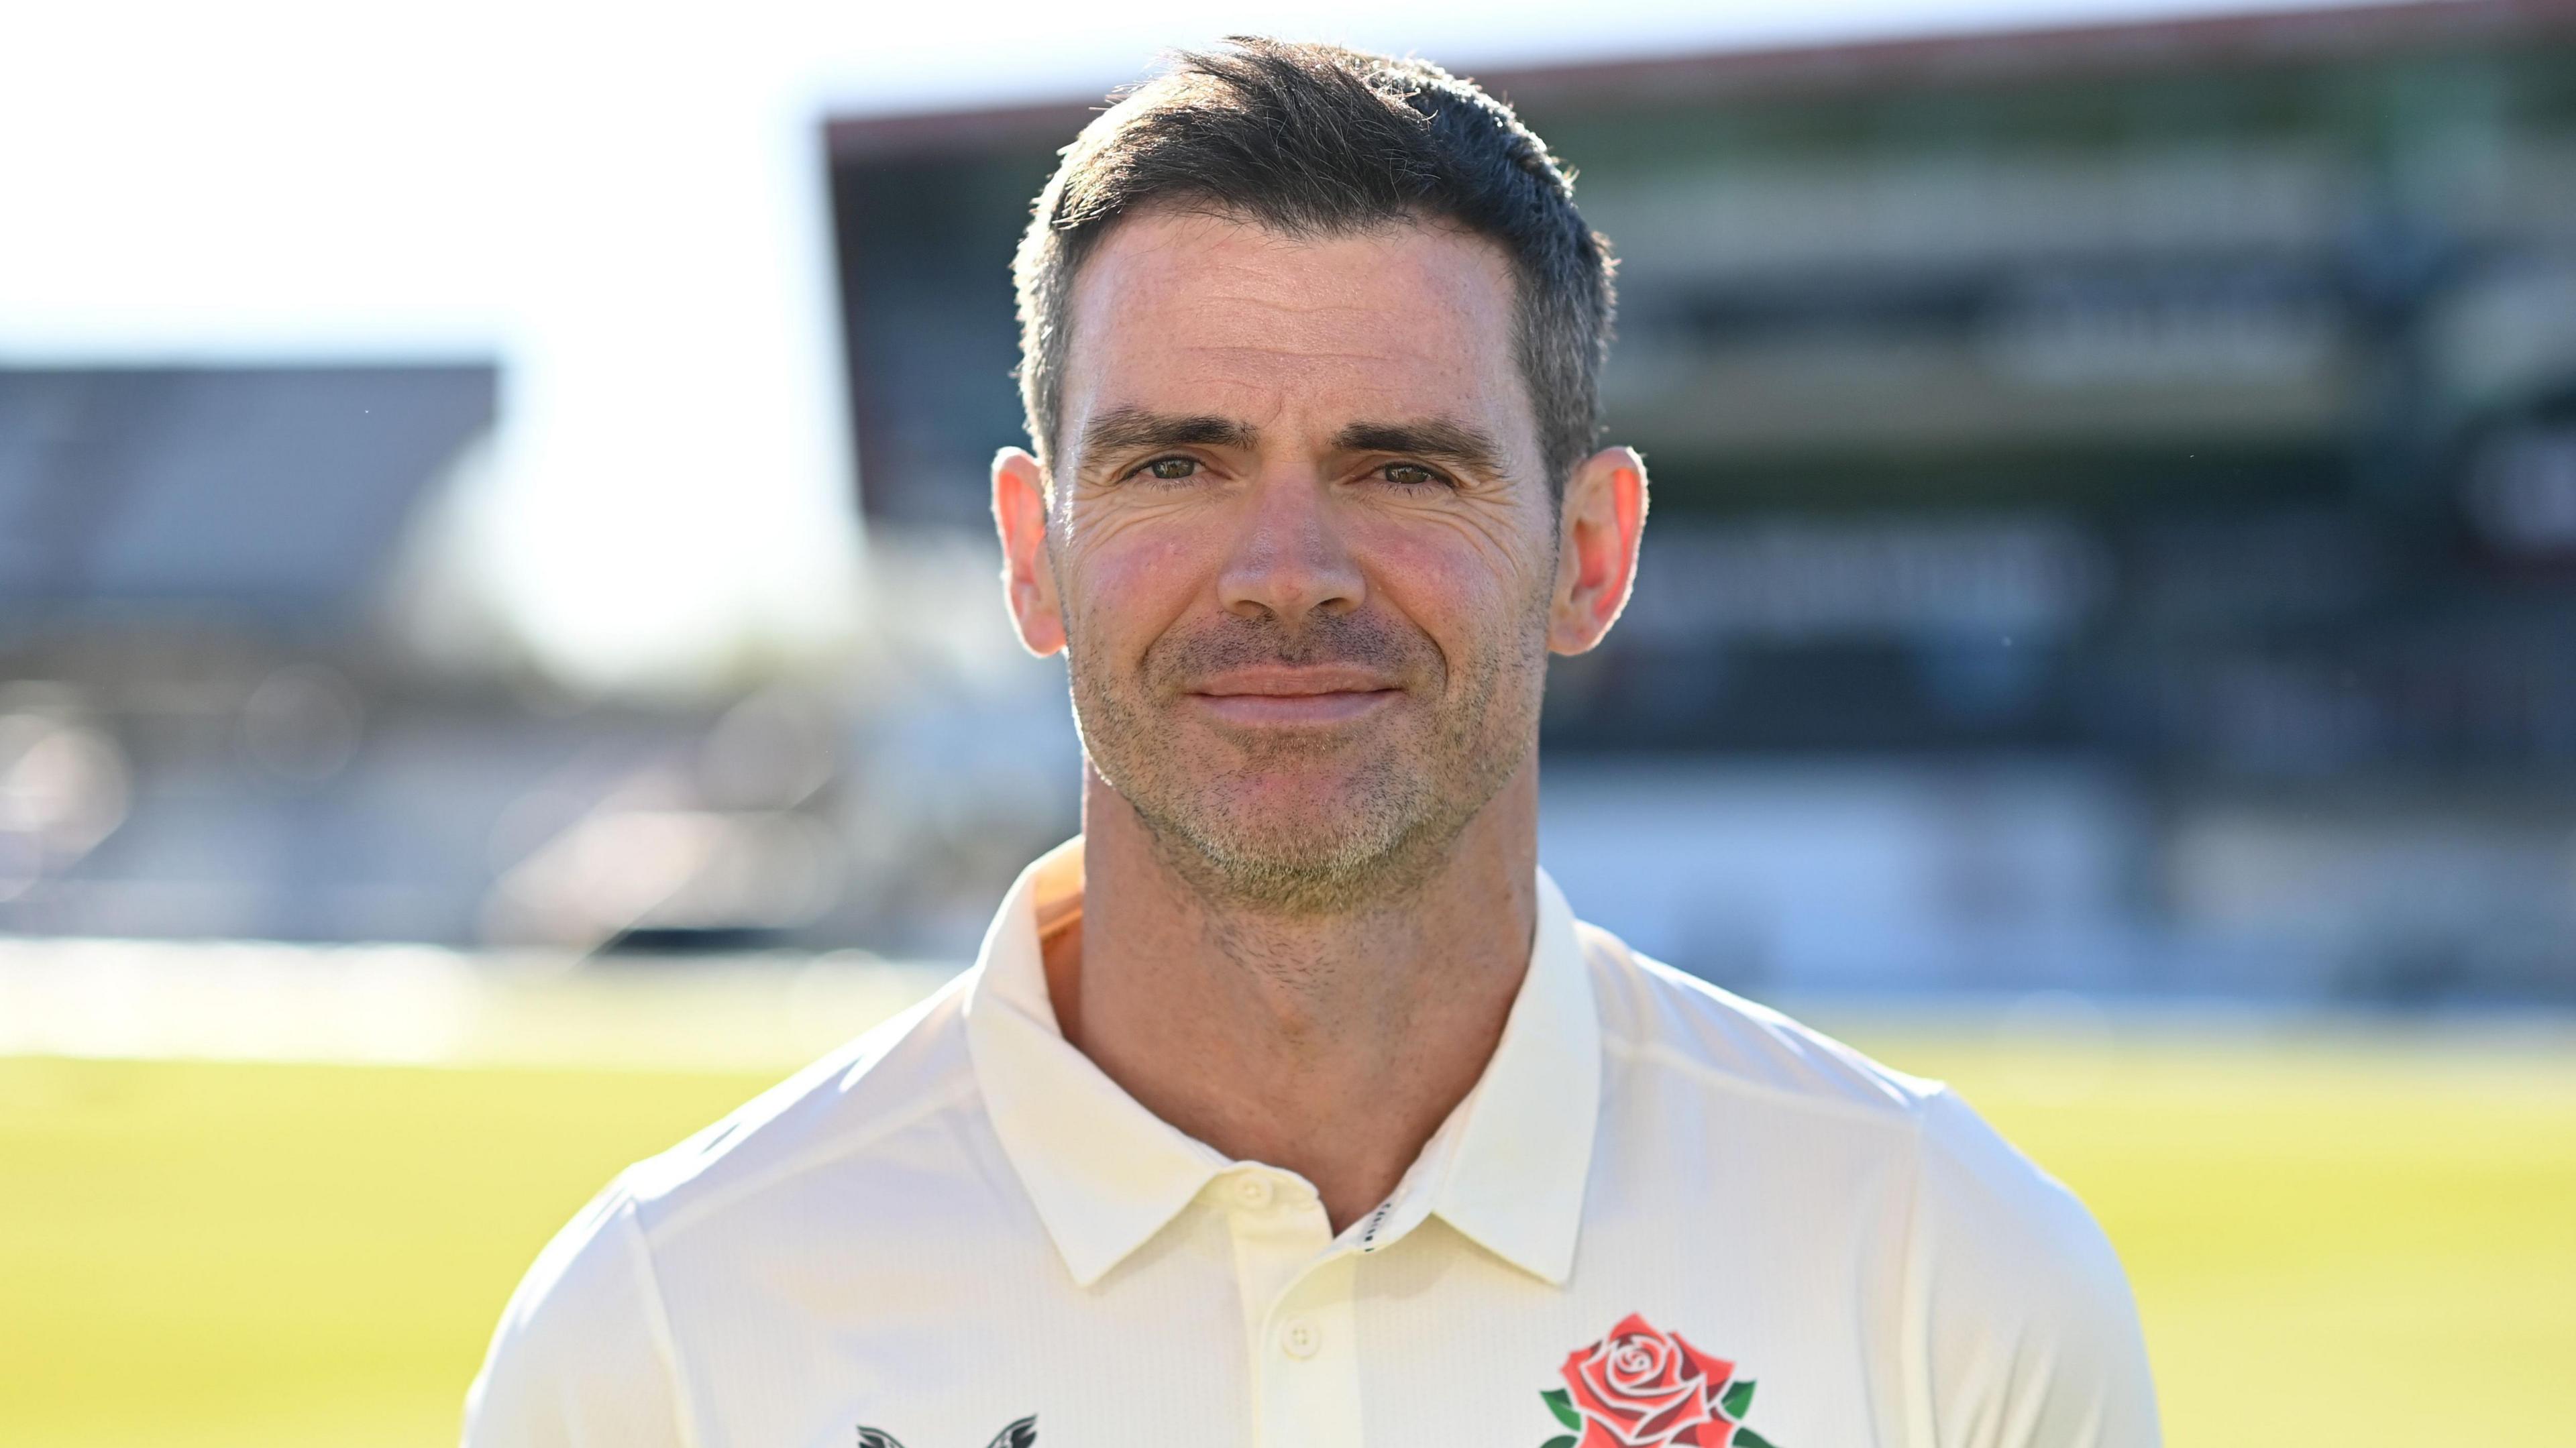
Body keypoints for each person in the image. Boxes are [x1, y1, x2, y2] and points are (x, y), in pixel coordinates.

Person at [463, 38, 2158, 1448]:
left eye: (1404, 467)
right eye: (1174, 467)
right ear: (1030, 553)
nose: (1286, 575)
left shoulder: (1945, 1273)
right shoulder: (664, 1333)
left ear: (1591, 554)